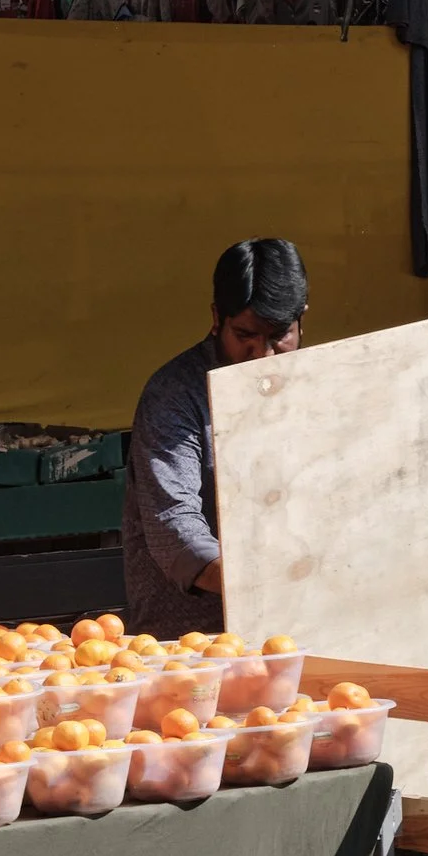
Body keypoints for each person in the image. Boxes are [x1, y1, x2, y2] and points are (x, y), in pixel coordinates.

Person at [121, 238, 309, 637]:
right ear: (216, 318)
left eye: (280, 337)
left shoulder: (321, 387)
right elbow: (174, 527)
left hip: (305, 624)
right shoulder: (175, 395)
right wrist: (264, 584)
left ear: (301, 321)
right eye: (245, 335)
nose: (263, 355)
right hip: (192, 640)